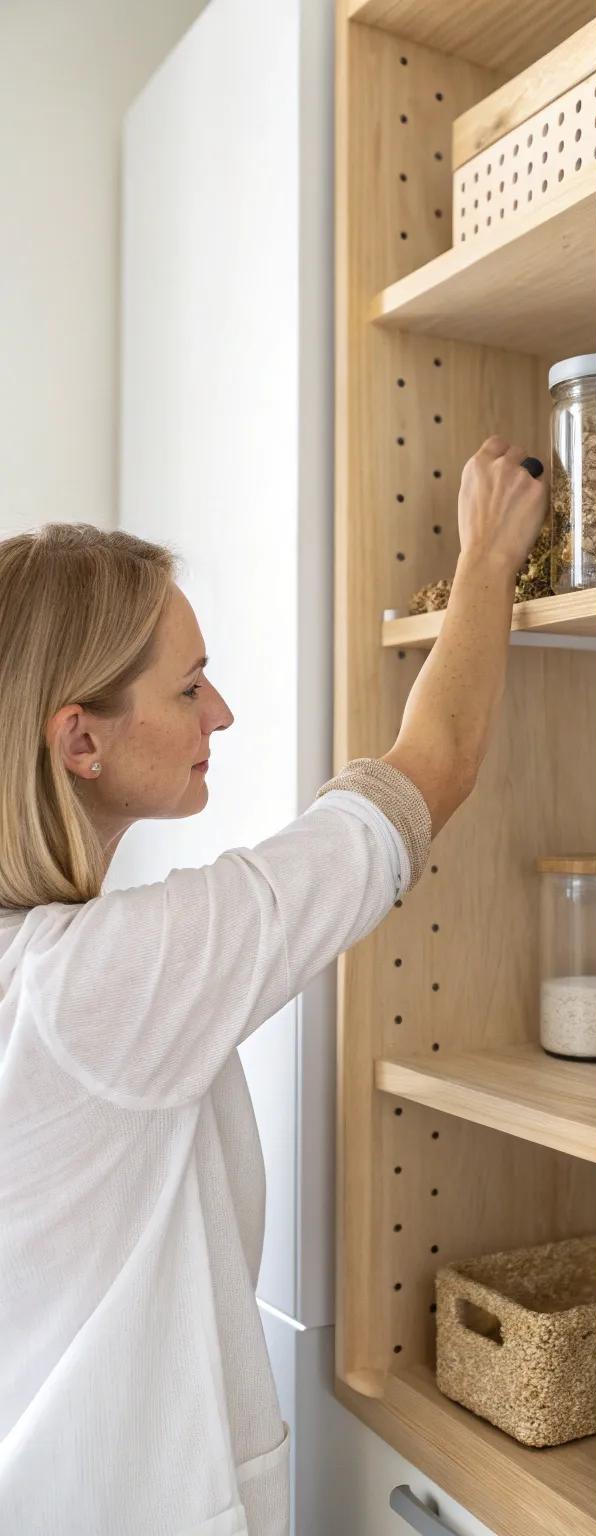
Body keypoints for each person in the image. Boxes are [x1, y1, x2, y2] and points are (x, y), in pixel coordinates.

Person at [0, 437, 547, 1536]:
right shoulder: (92, 989)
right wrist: (488, 557)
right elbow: (422, 773)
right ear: (80, 740)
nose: (223, 716)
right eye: (190, 686)